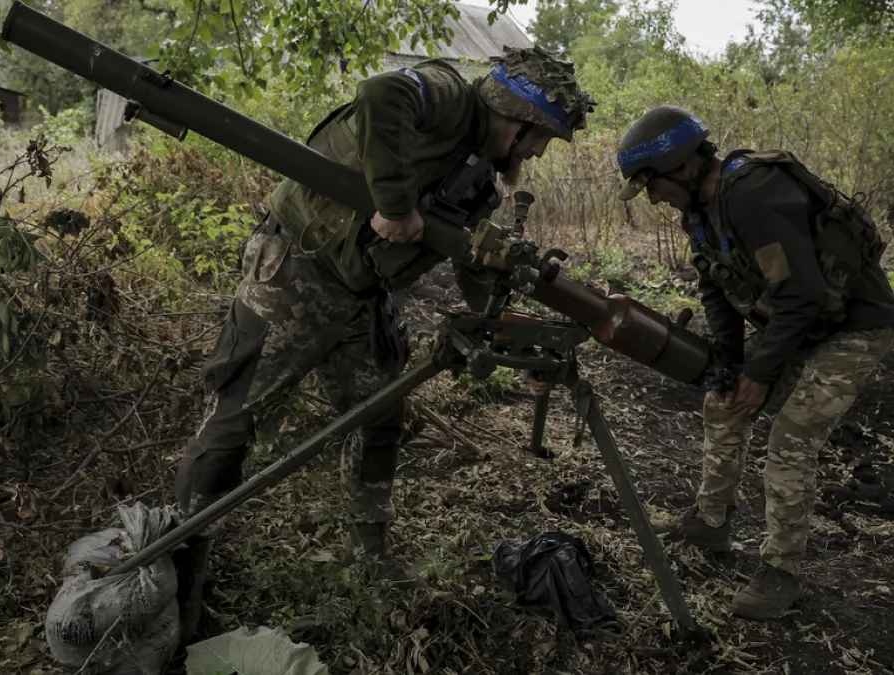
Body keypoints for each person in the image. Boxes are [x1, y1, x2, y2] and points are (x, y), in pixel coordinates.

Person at [172, 47, 594, 637]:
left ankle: (369, 553)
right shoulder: (447, 96)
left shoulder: (480, 182)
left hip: (362, 296)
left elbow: (472, 272)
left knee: (381, 416)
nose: (536, 153)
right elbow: (379, 94)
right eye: (539, 137)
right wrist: (395, 206)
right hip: (297, 272)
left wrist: (509, 321)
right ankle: (177, 573)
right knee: (234, 423)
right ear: (516, 115)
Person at [616, 106, 894, 620]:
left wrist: (760, 372)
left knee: (790, 439)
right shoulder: (699, 212)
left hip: (854, 327)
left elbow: (802, 294)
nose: (654, 196)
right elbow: (716, 290)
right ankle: (711, 520)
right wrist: (730, 365)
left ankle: (781, 572)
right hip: (802, 322)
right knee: (721, 401)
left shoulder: (753, 194)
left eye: (652, 183)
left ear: (680, 166)